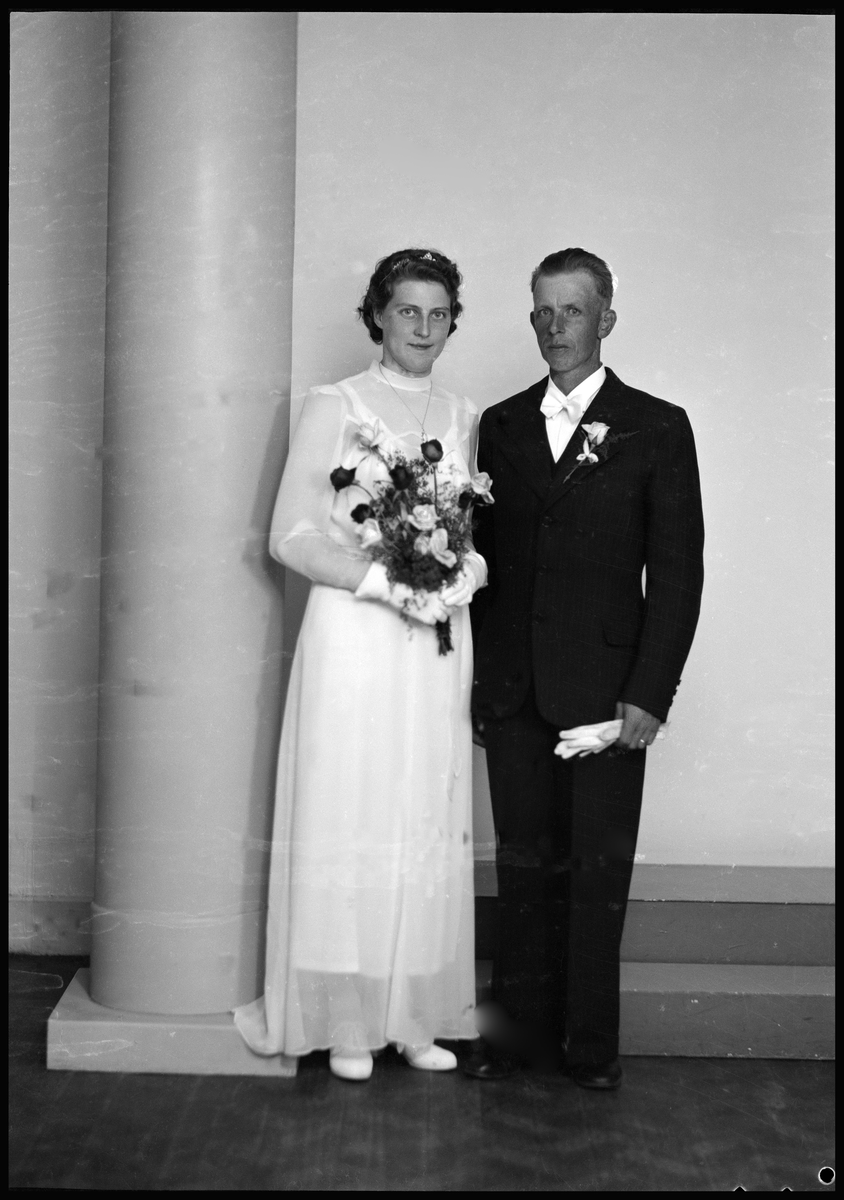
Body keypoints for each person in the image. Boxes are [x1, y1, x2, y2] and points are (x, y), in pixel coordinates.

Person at [234, 248, 486, 1081]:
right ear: (377, 314)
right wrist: (381, 581)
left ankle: (411, 1015)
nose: (424, 328)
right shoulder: (333, 404)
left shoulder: (463, 412)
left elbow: (469, 525)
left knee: (421, 812)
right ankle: (345, 1021)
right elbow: (291, 535)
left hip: (433, 639)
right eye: (408, 310)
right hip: (356, 632)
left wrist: (466, 571)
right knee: (352, 809)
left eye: (439, 313)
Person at [465, 248, 704, 1089]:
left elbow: (677, 574)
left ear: (606, 319)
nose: (555, 326)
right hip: (515, 688)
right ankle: (514, 1039)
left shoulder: (656, 425)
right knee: (522, 869)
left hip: (606, 692)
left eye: (572, 310)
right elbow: (485, 566)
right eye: (542, 310)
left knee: (596, 873)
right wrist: (481, 685)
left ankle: (590, 1048)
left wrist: (650, 694)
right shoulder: (500, 424)